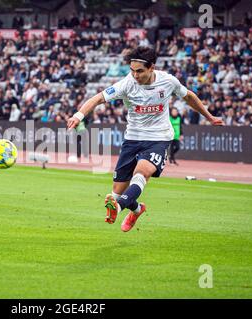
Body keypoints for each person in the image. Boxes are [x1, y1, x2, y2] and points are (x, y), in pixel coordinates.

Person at [67, 46, 224, 233]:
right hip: (132, 139)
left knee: (141, 173)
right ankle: (136, 209)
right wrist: (78, 115)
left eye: (139, 71)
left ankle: (117, 208)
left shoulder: (168, 81)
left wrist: (209, 117)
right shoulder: (126, 84)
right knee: (117, 192)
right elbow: (98, 98)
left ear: (152, 68)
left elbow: (189, 97)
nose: (135, 75)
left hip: (158, 138)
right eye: (132, 70)